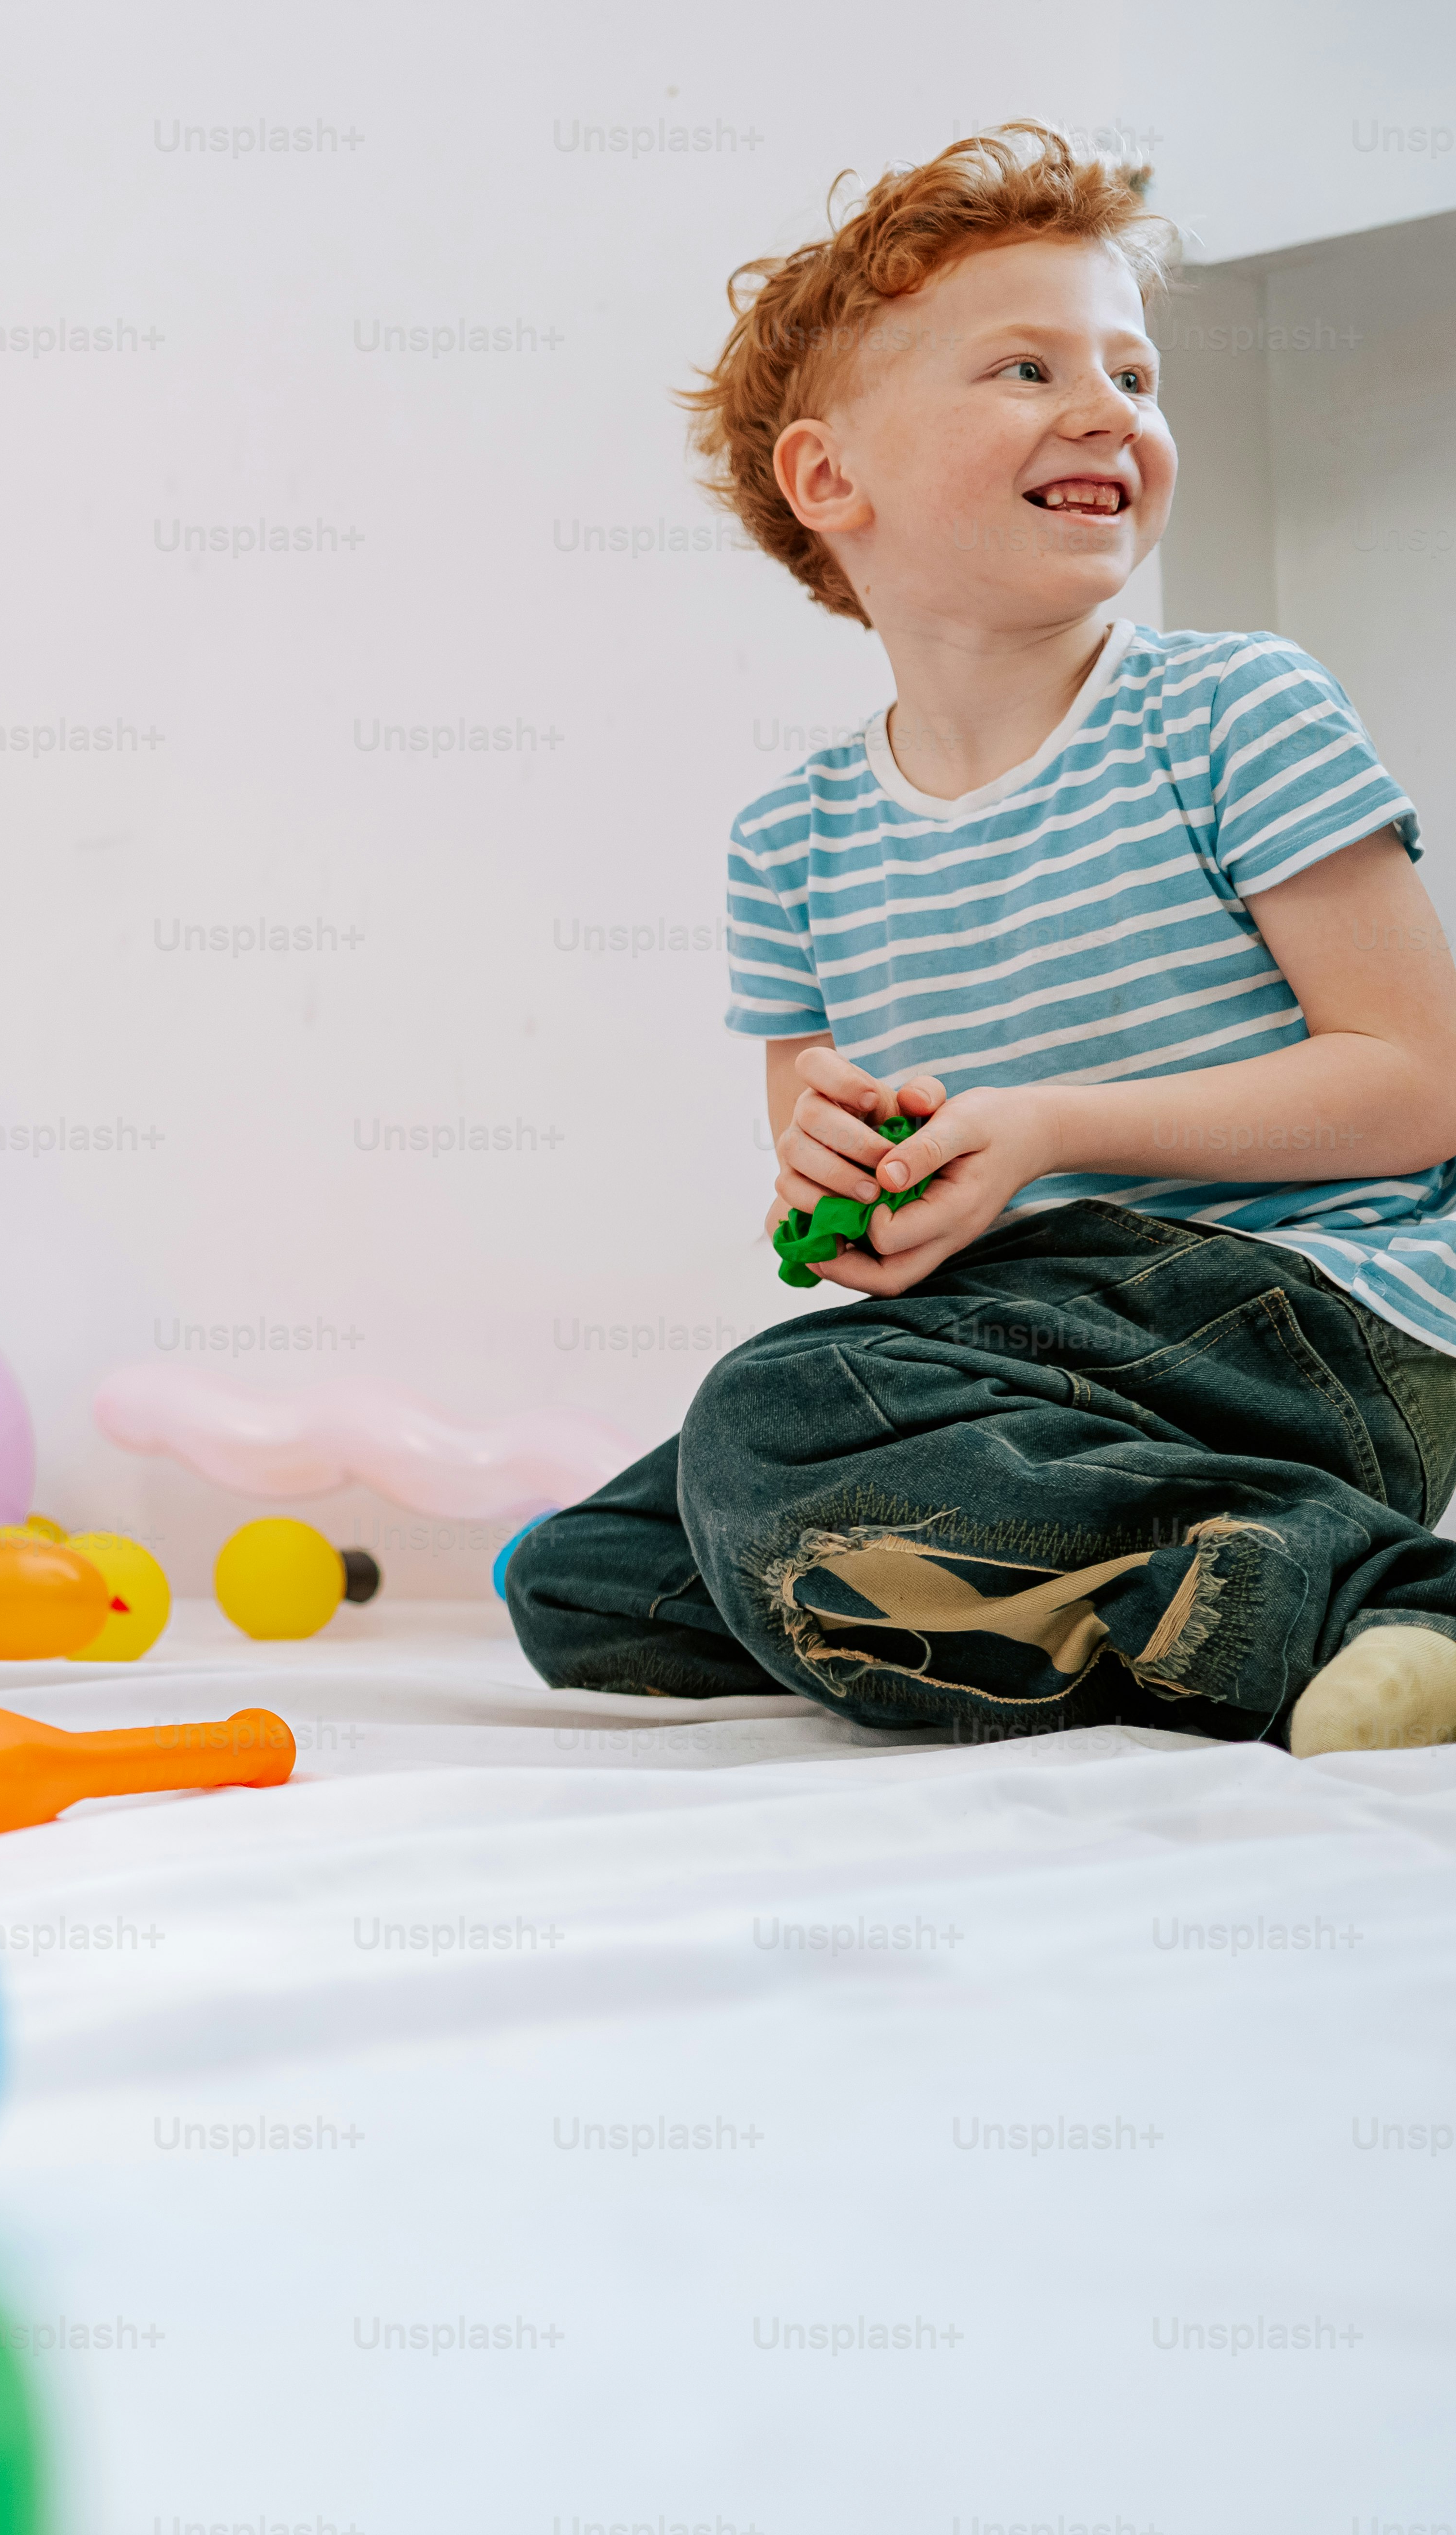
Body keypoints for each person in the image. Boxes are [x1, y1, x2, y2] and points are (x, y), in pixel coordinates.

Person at [506, 126, 1456, 1752]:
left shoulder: (1234, 709)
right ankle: (1205, 1602)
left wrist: (1053, 1129)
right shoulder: (790, 842)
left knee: (776, 1420)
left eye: (1135, 375)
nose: (1110, 409)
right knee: (587, 1581)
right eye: (1029, 368)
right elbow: (845, 1190)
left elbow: (1419, 1083)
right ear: (830, 481)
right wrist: (849, 1198)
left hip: (1312, 1312)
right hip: (1034, 1351)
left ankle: (1377, 1597)